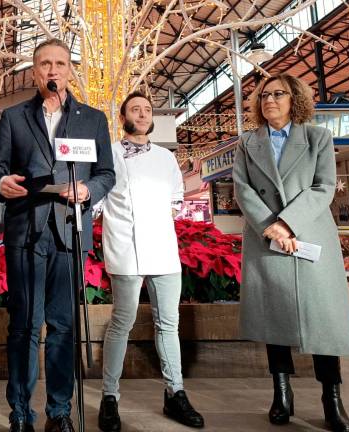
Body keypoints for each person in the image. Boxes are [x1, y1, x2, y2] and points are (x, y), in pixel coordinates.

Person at [0, 38, 115, 432]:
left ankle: (60, 412)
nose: (52, 71)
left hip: (69, 233)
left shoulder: (93, 119)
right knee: (24, 323)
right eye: (44, 64)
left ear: (70, 71)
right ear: (35, 71)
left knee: (63, 324)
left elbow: (106, 173)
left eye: (59, 63)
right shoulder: (14, 117)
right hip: (26, 230)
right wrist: (0, 181)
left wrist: (89, 190)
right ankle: (20, 411)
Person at [232, 72, 349, 432]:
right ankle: (281, 395)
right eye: (264, 95)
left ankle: (332, 399)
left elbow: (324, 187)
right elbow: (242, 189)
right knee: (275, 320)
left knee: (324, 321)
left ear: (294, 99)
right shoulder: (248, 143)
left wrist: (287, 224)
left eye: (279, 94)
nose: (270, 100)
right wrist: (269, 226)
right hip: (266, 238)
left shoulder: (318, 138)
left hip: (309, 236)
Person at [97, 91, 205, 431]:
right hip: (125, 250)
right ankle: (109, 397)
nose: (142, 114)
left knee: (168, 324)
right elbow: (98, 202)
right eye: (135, 109)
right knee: (122, 323)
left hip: (163, 251)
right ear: (123, 117)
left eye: (146, 110)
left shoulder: (165, 157)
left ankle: (175, 393)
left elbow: (175, 200)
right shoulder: (109, 155)